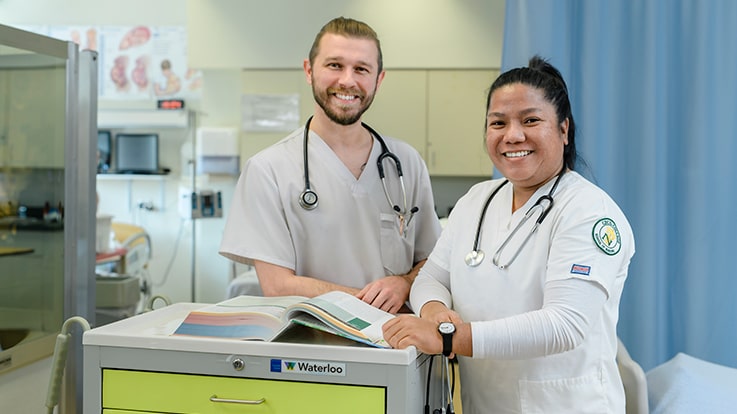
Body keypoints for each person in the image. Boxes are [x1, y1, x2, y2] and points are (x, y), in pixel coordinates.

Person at [382, 56, 635, 413]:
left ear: (564, 129)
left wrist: (450, 338)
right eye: (498, 122)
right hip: (484, 402)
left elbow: (564, 325)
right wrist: (435, 309)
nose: (512, 135)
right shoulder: (476, 201)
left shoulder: (589, 212)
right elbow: (431, 277)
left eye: (530, 120)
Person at [219, 17, 441, 314]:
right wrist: (369, 304)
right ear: (309, 71)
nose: (348, 80)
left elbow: (434, 262)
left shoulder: (406, 162)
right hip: (309, 351)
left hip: (397, 345)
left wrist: (404, 283)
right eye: (335, 65)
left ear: (379, 79)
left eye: (361, 69)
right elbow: (278, 286)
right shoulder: (268, 170)